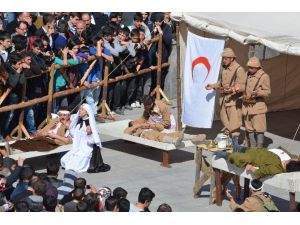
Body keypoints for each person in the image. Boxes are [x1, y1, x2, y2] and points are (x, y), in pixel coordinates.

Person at [205, 48, 247, 152]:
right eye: (223, 58)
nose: (224, 60)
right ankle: (229, 141)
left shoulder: (239, 69)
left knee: (234, 122)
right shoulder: (224, 69)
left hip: (233, 100)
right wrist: (213, 86)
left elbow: (243, 86)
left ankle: (235, 144)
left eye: (226, 58)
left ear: (232, 58)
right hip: (224, 99)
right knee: (224, 120)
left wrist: (234, 89)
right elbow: (221, 82)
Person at [60, 103, 110, 173]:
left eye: (82, 109)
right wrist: (69, 128)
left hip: (86, 150)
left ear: (87, 112)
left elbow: (93, 141)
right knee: (63, 160)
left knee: (73, 166)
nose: (79, 111)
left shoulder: (90, 124)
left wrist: (89, 134)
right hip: (77, 148)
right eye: (79, 109)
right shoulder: (79, 122)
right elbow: (74, 135)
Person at [241, 57, 271, 147]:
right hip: (247, 107)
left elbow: (268, 92)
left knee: (259, 129)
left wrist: (258, 93)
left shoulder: (264, 76)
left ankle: (259, 149)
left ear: (257, 67)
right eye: (248, 67)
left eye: (251, 68)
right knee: (249, 129)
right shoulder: (247, 74)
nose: (249, 69)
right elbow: (244, 86)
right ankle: (253, 149)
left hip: (258, 107)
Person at [228, 147, 300, 178]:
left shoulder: (275, 168)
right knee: (242, 149)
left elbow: (261, 172)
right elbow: (296, 158)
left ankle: (226, 155)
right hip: (258, 151)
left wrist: (251, 168)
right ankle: (237, 147)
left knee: (238, 157)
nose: (286, 160)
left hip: (254, 158)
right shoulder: (293, 159)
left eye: (286, 162)